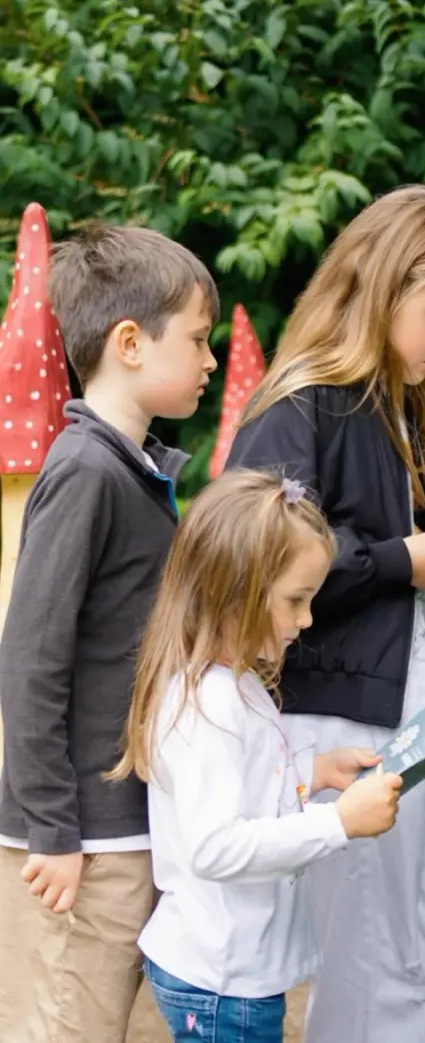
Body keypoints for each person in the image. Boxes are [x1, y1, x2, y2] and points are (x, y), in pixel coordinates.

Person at [226, 185, 425, 1043]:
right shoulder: (299, 401)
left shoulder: (389, 396)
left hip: (411, 712)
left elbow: (370, 519)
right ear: (388, 284)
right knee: (379, 967)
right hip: (342, 722)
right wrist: (404, 559)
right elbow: (261, 556)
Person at [0, 225, 219, 1043]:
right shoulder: (85, 470)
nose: (207, 359)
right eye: (197, 339)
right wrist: (55, 831)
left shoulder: (133, 469)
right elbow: (29, 658)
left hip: (121, 827)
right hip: (77, 846)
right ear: (129, 342)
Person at [111, 467, 403, 1043]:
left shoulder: (233, 683)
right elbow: (216, 847)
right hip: (221, 981)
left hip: (229, 972)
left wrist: (313, 772)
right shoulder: (211, 703)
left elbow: (242, 787)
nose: (307, 619)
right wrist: (337, 823)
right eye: (295, 600)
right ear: (234, 590)